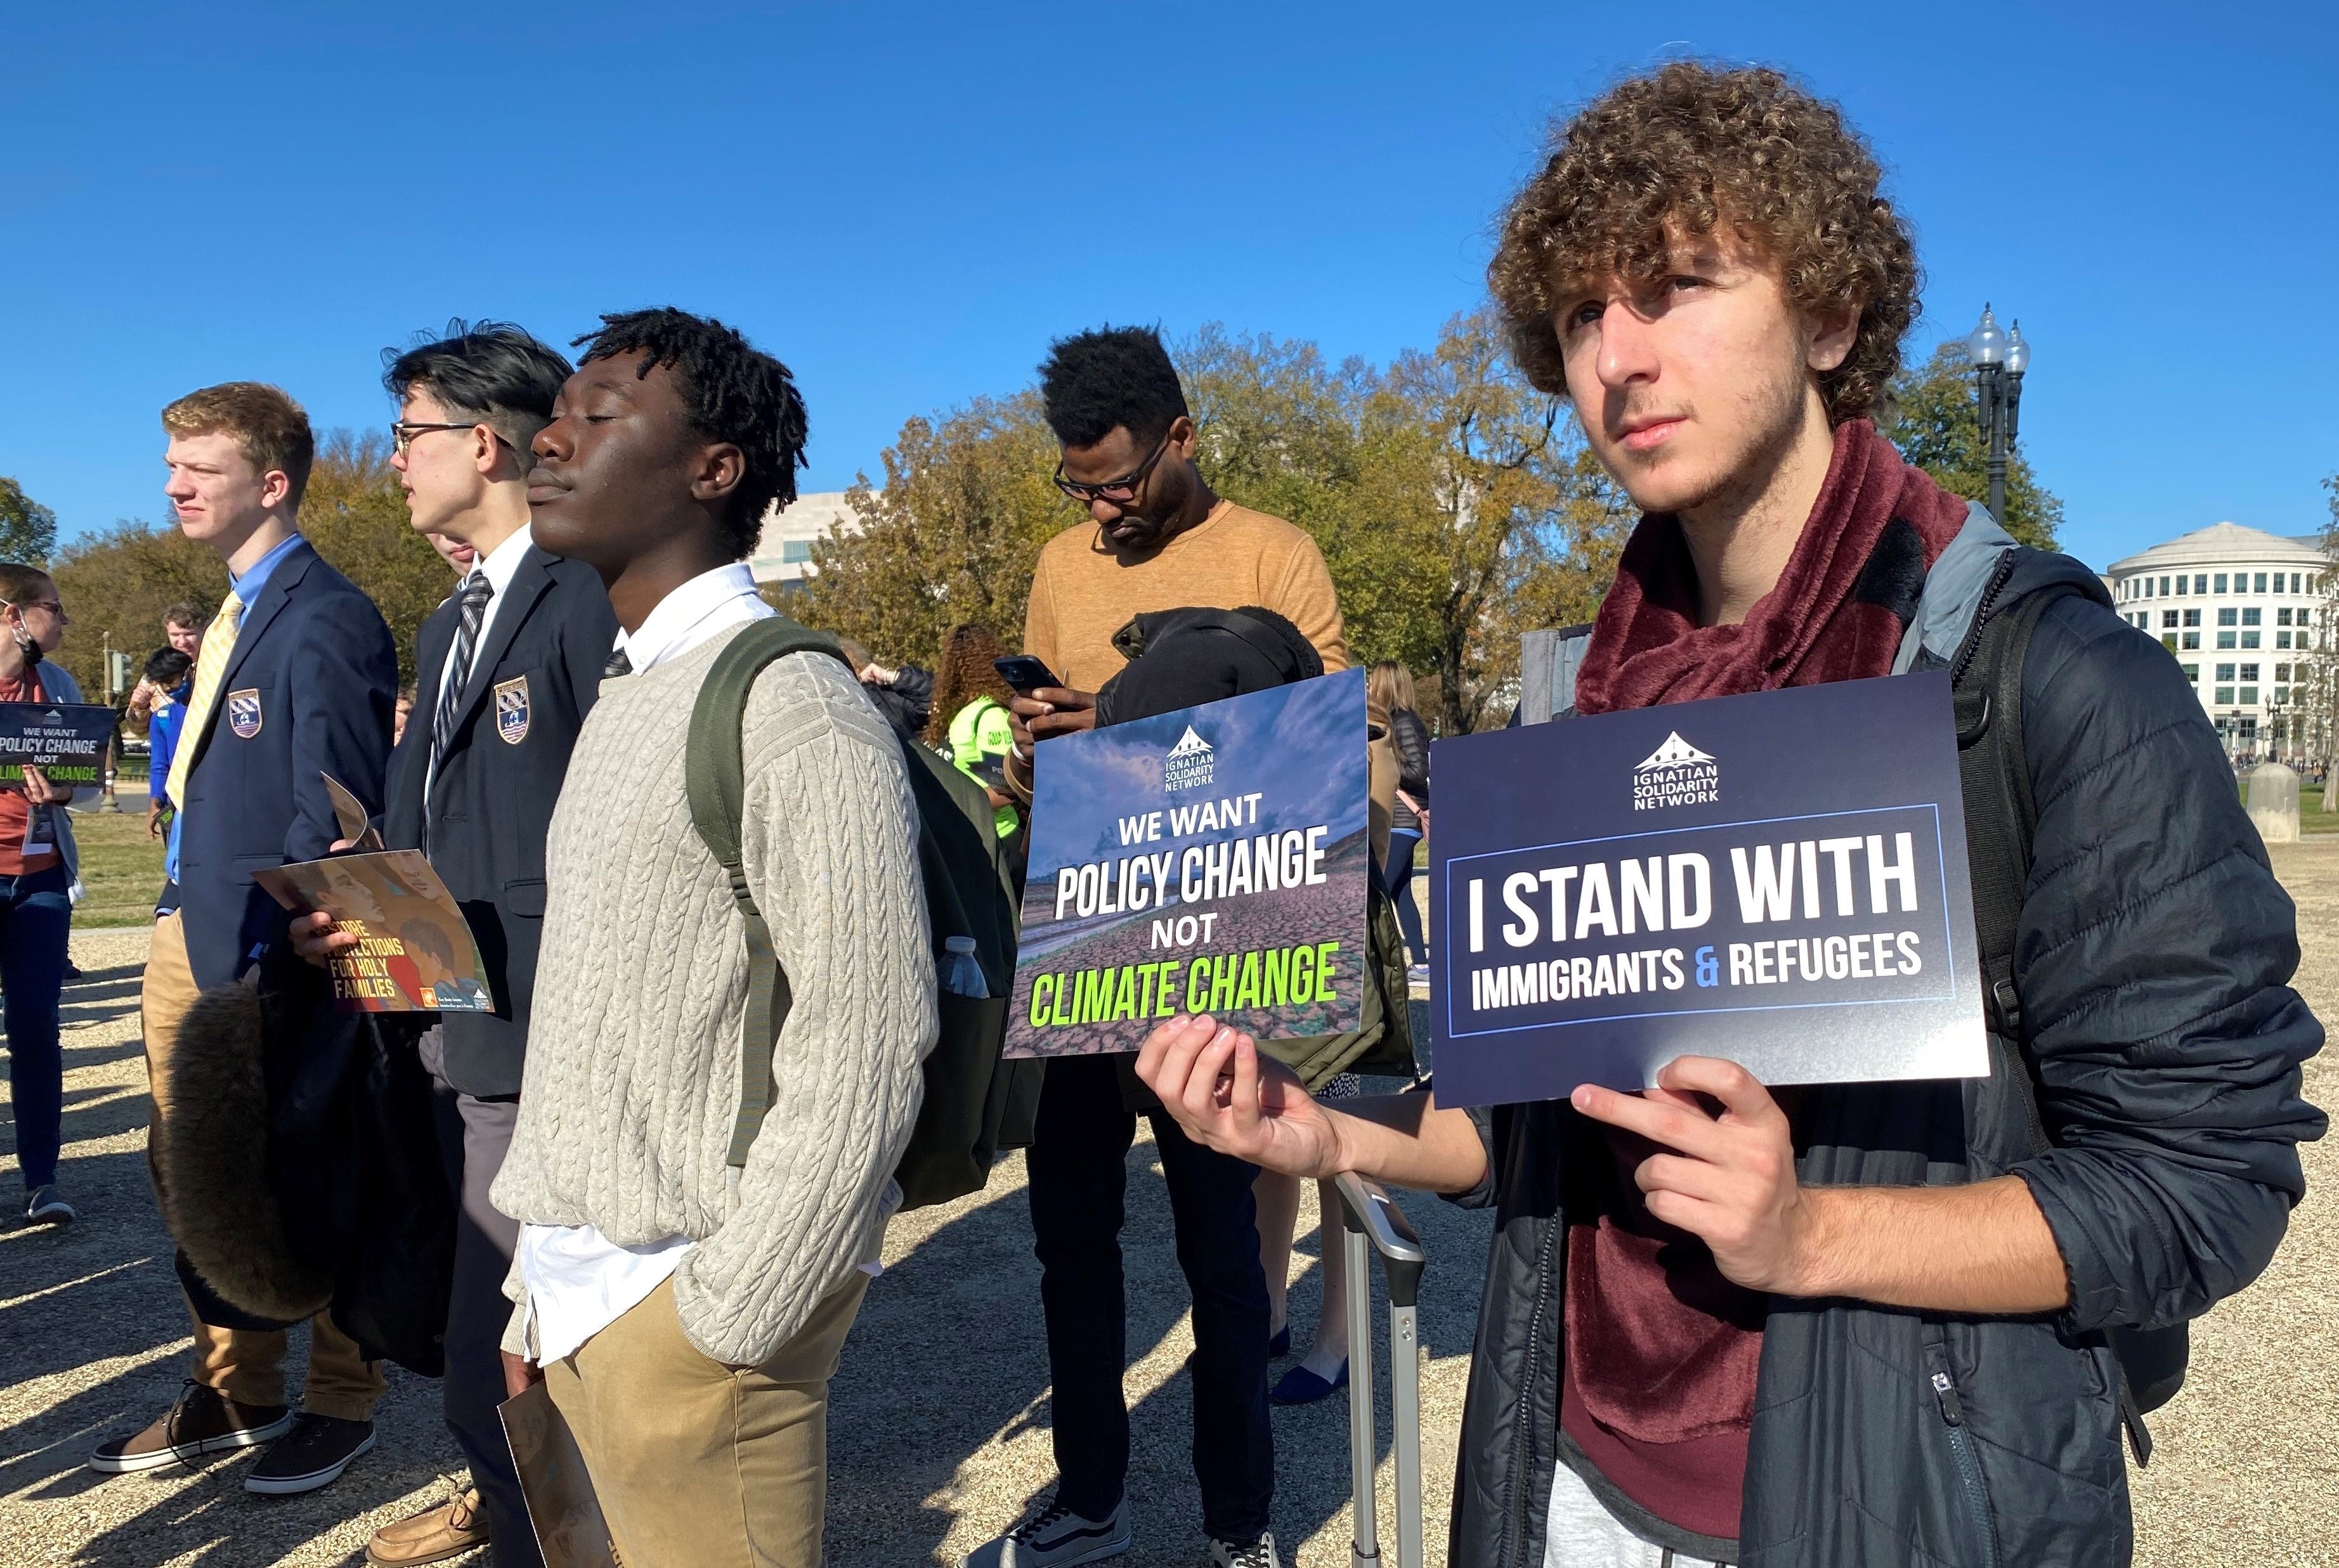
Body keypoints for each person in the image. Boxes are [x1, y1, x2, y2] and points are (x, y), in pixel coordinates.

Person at [1135, 63, 2326, 1568]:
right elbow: (1529, 1143)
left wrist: (1807, 1233)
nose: (1616, 357)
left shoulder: (2045, 680)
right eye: (1579, 315)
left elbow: (2200, 1183)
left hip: (1890, 1501)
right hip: (1566, 1487)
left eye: (1679, 286)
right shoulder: (1584, 718)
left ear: (1829, 319)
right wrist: (1319, 1131)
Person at [490, 308, 932, 1568]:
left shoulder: (788, 700)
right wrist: (539, 1288)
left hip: (694, 1325)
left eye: (598, 413)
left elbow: (870, 1031)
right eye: (556, 412)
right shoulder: (634, 690)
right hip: (585, 1305)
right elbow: (607, 1021)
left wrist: (736, 1312)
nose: (550, 438)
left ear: (712, 468)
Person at [969, 326, 1349, 1568]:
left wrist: (1126, 727)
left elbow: (1330, 755)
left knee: (1221, 1250)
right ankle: (1090, 1493)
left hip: (1215, 946)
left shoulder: (1271, 557)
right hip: (1082, 933)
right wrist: (1038, 751)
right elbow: (1036, 764)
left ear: (1181, 438)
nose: (1098, 507)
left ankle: (1236, 1520)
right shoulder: (1057, 570)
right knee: (1068, 1240)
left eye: (1117, 480)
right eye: (1076, 485)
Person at [290, 321, 614, 1568]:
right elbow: (422, 850)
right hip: (452, 1041)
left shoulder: (586, 593)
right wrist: (351, 921)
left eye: (406, 434)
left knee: (524, 1383)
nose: (392, 462)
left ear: (483, 445)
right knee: (486, 1375)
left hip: (557, 1062)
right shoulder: (445, 625)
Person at [91, 382, 399, 1495]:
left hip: (280, 947)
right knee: (199, 1177)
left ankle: (342, 1397)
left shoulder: (327, 614)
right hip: (190, 931)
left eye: (199, 468)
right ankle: (238, 1389)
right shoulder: (227, 610)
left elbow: (340, 804)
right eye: (170, 464)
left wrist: (306, 946)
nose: (174, 485)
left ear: (271, 483)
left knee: (314, 1163)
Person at [0, 563, 86, 1226]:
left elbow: (86, 776)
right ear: (13, 614)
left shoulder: (56, 683)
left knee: (36, 1029)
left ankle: (43, 1178)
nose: (63, 620)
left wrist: (65, 790)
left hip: (42, 880)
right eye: (53, 608)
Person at [923, 622, 1021, 843]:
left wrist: (952, 807)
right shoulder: (955, 715)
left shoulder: (990, 715)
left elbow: (1006, 791)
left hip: (1000, 838)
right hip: (969, 838)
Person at [1372, 661, 1431, 975]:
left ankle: (1384, 964)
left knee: (1379, 890)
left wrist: (1387, 764)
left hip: (1402, 821)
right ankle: (1421, 963)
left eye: (1374, 682)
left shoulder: (1405, 723)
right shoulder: (1391, 723)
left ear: (1386, 685)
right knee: (1400, 892)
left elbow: (1420, 771)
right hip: (1396, 818)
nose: (1370, 688)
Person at [141, 647, 193, 843]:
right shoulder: (162, 718)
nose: (170, 688)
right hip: (176, 805)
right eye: (163, 684)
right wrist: (155, 802)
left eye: (173, 680)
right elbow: (159, 765)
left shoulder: (215, 711)